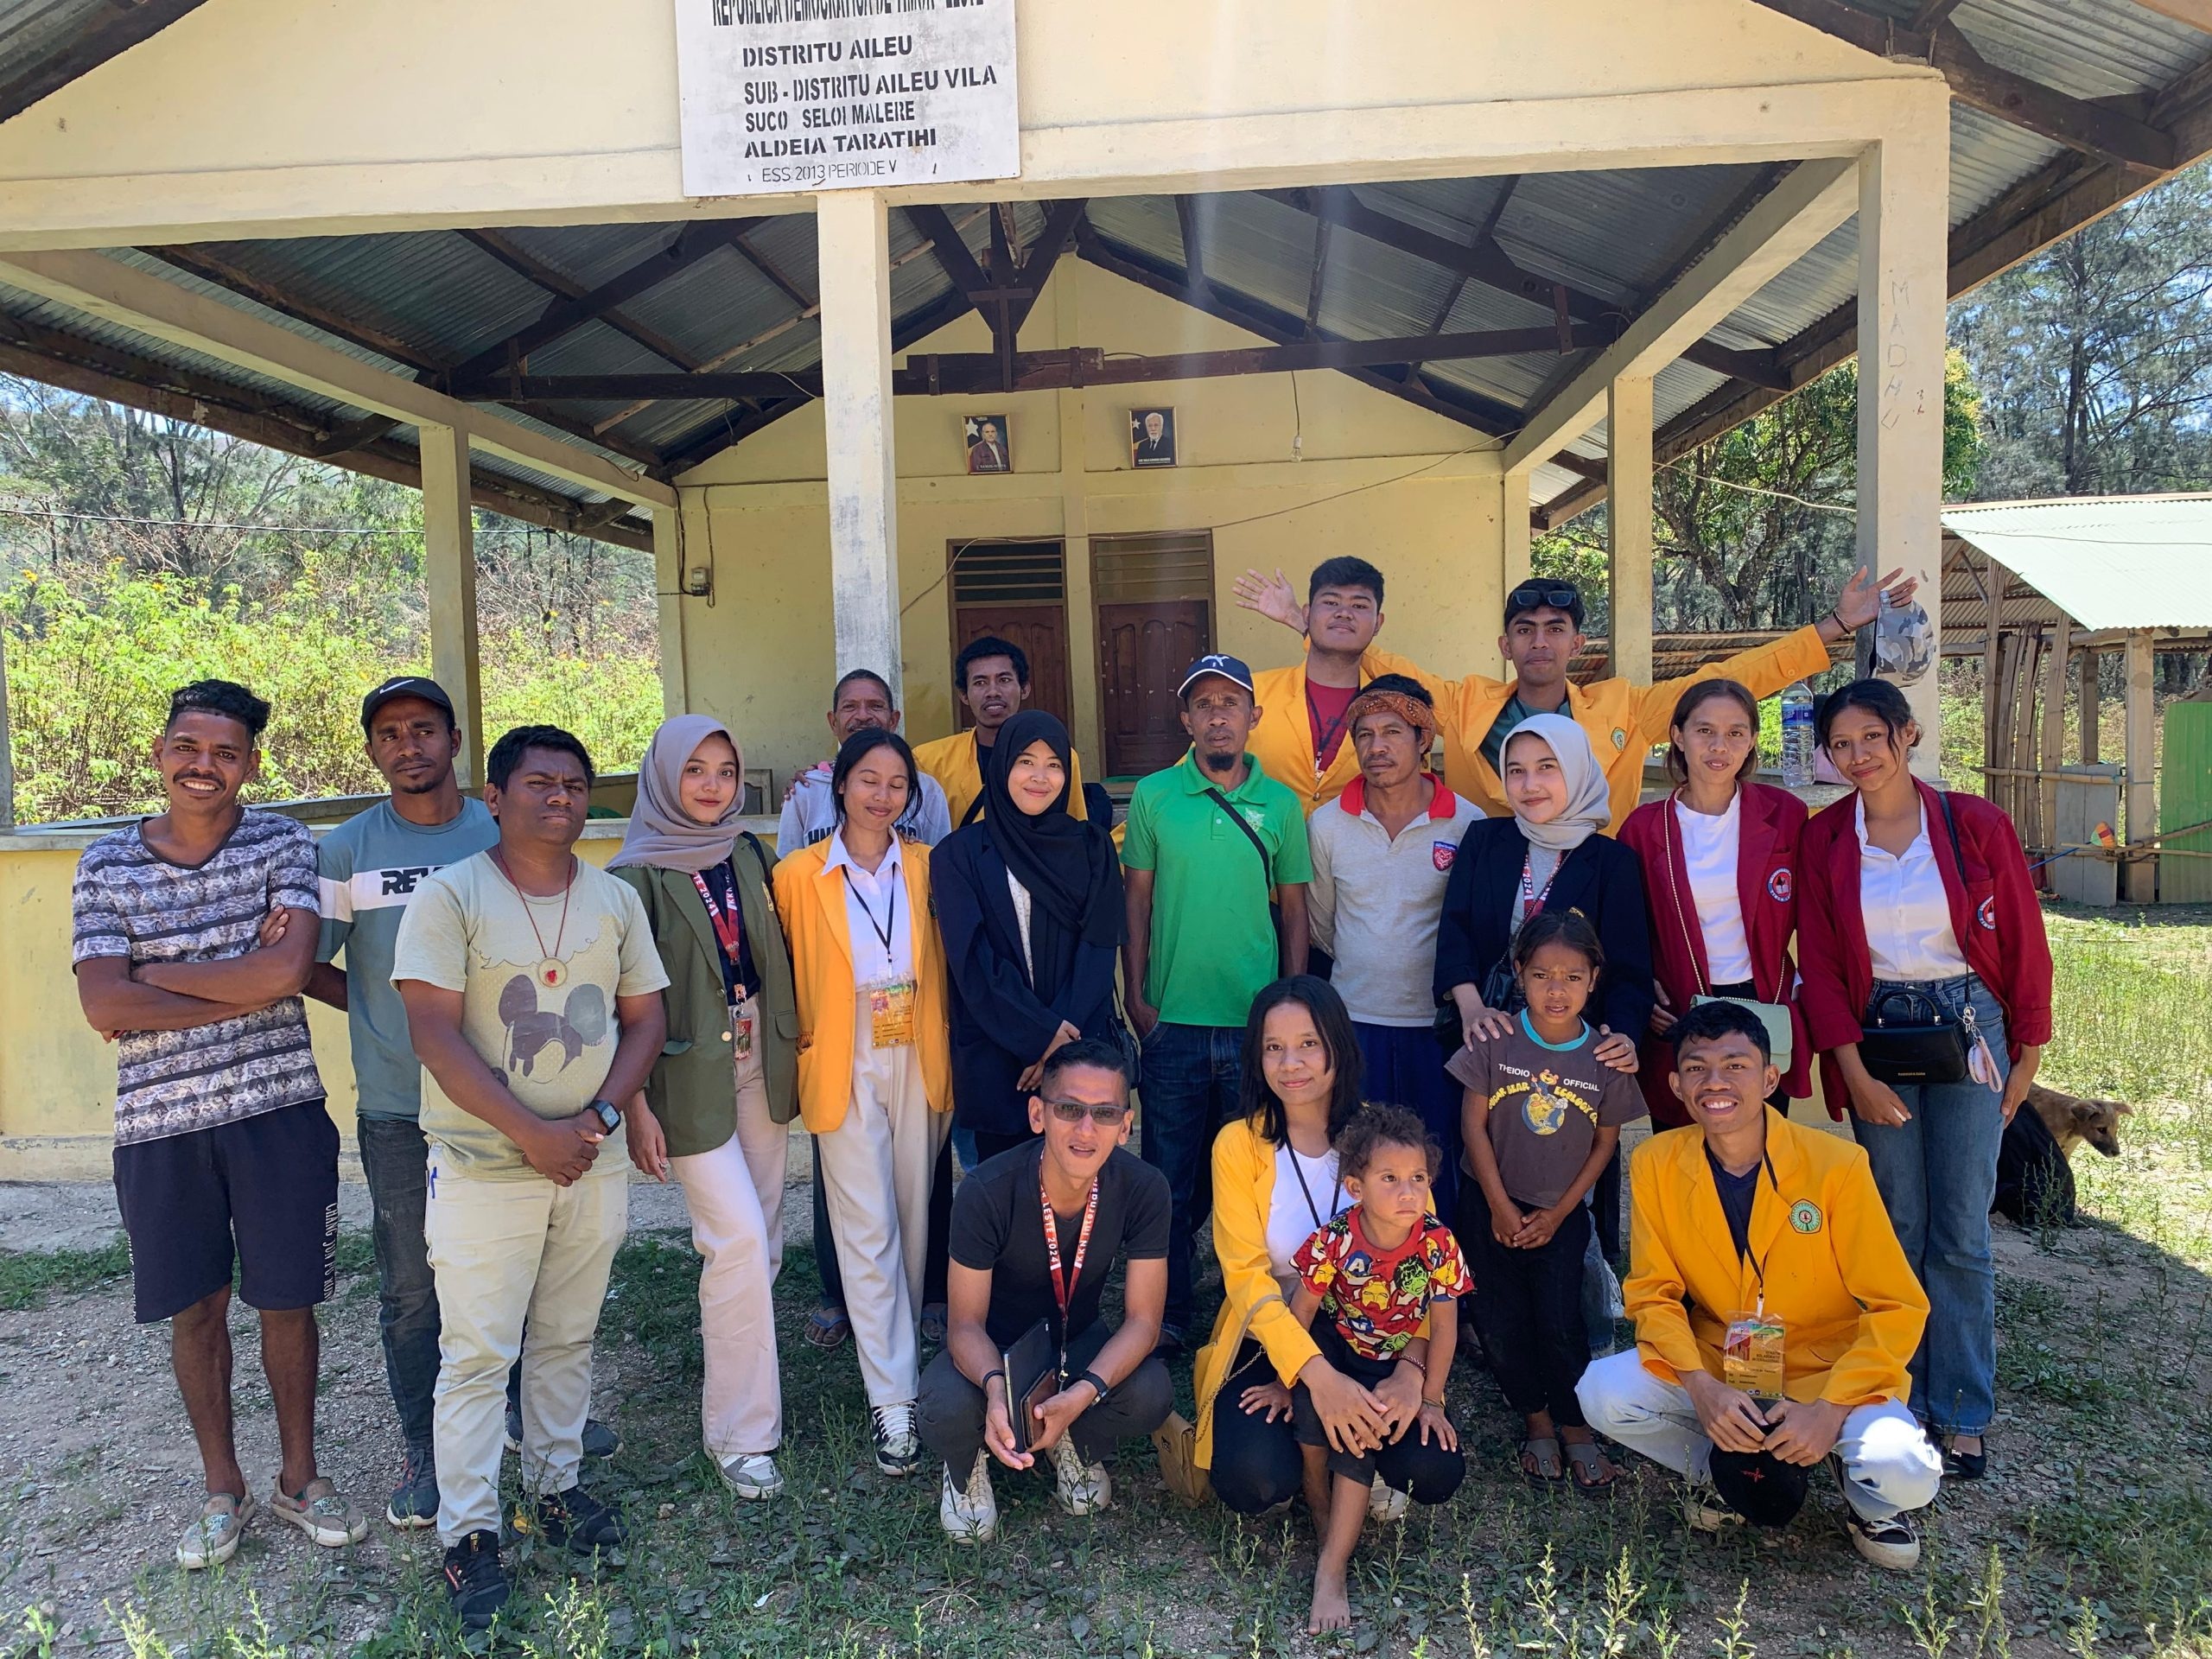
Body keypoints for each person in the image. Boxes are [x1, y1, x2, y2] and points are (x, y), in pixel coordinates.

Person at [71, 679, 365, 1569]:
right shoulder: (104, 862)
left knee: (288, 1301)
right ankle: (221, 1488)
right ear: (160, 754)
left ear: (252, 764)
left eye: (226, 753)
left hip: (278, 1112)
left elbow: (289, 971)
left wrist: (154, 980)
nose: (206, 767)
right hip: (160, 1125)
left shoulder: (282, 838)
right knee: (194, 1310)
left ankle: (300, 1478)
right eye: (189, 749)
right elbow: (99, 1002)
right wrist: (247, 967)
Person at [392, 725, 670, 1630]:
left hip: (590, 1159)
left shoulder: (614, 900)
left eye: (575, 785)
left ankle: (555, 1487)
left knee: (566, 1338)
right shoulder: (451, 897)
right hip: (482, 1165)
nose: (560, 798)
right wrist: (530, 1131)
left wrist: (593, 1122)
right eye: (541, 783)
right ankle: (468, 1535)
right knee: (477, 1355)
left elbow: (645, 1022)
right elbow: (433, 1035)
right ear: (497, 794)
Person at [1577, 1001, 1942, 1567]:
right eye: (1697, 1068)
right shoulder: (1655, 1162)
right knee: (1601, 1394)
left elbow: (1897, 1305)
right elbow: (1653, 1293)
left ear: (1771, 1078)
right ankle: (1721, 1471)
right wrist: (1703, 1388)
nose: (1715, 1082)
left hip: (1827, 1370)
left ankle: (1867, 1498)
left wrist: (1827, 1411)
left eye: (1736, 1066)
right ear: (1674, 1084)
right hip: (1724, 1362)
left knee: (1908, 1471)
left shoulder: (1836, 1165)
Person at [1796, 678, 2051, 1481]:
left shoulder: (1974, 823)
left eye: (1872, 736)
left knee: (1962, 1228)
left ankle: (1964, 1409)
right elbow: (1824, 964)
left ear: (1906, 735)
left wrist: (2029, 1052)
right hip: (1877, 1030)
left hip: (1971, 1024)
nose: (1859, 756)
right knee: (1895, 1224)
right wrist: (1850, 1068)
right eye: (1842, 745)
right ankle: (1892, 1394)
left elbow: (2022, 933)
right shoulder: (1827, 836)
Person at [1238, 564, 1916, 829]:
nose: (1539, 642)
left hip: (1591, 893)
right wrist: (1308, 620)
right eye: (1525, 630)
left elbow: (1727, 681)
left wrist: (1831, 628)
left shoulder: (1621, 710)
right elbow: (1385, 670)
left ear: (1576, 644)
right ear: (1505, 644)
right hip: (1486, 883)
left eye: (1554, 630)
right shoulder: (1466, 703)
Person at [304, 676, 498, 1530]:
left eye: (424, 729)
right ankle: (426, 1454)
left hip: (503, 1091)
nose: (408, 745)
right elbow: (309, 962)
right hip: (395, 1103)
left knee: (505, 1267)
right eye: (389, 733)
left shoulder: (500, 830)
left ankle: (521, 1417)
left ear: (455, 741)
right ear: (374, 751)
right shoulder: (346, 851)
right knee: (412, 1285)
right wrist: (396, 1014)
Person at [608, 715, 800, 1501]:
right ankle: (740, 1437)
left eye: (725, 770)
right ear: (662, 777)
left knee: (765, 1236)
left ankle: (753, 1391)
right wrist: (636, 1109)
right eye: (696, 771)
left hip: (761, 1057)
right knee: (737, 1242)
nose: (713, 785)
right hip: (683, 1078)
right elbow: (627, 1005)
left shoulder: (750, 853)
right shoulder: (634, 877)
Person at [772, 728, 955, 1479]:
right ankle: (893, 1397)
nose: (883, 795)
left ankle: (903, 1351)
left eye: (897, 784)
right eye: (868, 780)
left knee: (913, 1215)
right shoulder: (796, 874)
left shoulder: (928, 868)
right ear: (839, 785)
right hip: (843, 1058)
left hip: (919, 1052)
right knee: (865, 1222)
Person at [1189, 979, 1434, 1524]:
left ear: (1338, 1047)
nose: (1290, 1062)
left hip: (1376, 1340)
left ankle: (1354, 1459)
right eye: (1273, 1047)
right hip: (1272, 1340)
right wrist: (1318, 1376)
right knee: (1253, 1479)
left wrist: (1413, 1371)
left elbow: (1427, 1262)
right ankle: (1318, 1466)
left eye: (1308, 1043)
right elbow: (1246, 1278)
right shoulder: (1237, 1144)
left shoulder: (1384, 1136)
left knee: (1430, 1469)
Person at [1122, 652, 1312, 1349]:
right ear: (1186, 718)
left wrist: (1291, 1008)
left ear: (1253, 716)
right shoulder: (1153, 797)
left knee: (1252, 1177)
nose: (1217, 715)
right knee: (1169, 1177)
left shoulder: (1282, 803)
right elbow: (1135, 901)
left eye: (1231, 703)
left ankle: (1249, 1308)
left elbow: (1295, 912)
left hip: (1256, 1030)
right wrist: (1139, 998)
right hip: (1171, 1023)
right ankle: (1168, 1312)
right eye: (1203, 704)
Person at [923, 1039, 1174, 1541]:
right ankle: (966, 1465)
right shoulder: (987, 1189)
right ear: (1038, 1114)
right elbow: (965, 1324)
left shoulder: (1145, 1188)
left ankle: (1073, 1439)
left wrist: (1084, 1393)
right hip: (994, 1351)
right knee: (943, 1407)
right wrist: (996, 1388)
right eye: (1069, 1110)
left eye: (1104, 1113)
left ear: (1126, 1127)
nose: (1086, 1129)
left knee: (1151, 1391)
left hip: (1076, 1341)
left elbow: (1144, 1321)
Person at [1434, 713, 1649, 1262]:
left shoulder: (1612, 860)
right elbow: (1455, 926)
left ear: (1577, 771)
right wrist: (1470, 1008)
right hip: (1491, 1034)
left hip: (1570, 1042)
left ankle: (1582, 1289)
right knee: (1483, 1153)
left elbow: (1628, 966)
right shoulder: (1486, 839)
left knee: (1572, 1160)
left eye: (1547, 768)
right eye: (1517, 770)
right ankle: (1480, 1292)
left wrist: (1623, 1035)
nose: (1530, 786)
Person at [1450, 911, 1642, 1493]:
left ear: (1594, 979)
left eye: (1573, 978)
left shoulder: (1605, 1058)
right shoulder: (1497, 1039)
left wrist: (1558, 1215)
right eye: (1541, 976)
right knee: (1500, 1321)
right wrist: (1501, 1208)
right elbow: (1473, 1128)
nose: (1556, 991)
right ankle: (1535, 1419)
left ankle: (1576, 1426)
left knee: (1561, 1322)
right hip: (1488, 1208)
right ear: (1518, 973)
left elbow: (1606, 1144)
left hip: (1560, 1215)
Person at [1287, 1104, 1467, 1631]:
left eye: (1417, 1178)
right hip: (1335, 1347)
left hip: (1392, 1358)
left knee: (1359, 1435)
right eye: (1390, 1179)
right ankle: (1322, 1513)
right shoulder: (1336, 1239)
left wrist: (1431, 1398)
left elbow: (1446, 1330)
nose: (1408, 1192)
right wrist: (1286, 1379)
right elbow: (1301, 1312)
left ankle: (1332, 1567)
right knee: (1313, 1424)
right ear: (1356, 1187)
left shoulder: (1438, 1244)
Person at [1306, 674, 1478, 1208]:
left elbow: (1471, 927)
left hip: (1440, 1029)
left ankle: (1442, 1287)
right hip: (1357, 1025)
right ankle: (1363, 1287)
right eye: (1364, 734)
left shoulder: (1467, 822)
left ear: (1424, 739)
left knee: (1437, 1164)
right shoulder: (1327, 824)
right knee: (1362, 1166)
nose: (1376, 747)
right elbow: (1323, 924)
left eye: (1392, 732)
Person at [934, 710, 1125, 1166]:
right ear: (1000, 767)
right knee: (1003, 1196)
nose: (1040, 777)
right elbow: (973, 961)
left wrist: (1061, 1046)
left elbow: (1099, 950)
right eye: (1025, 761)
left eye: (1054, 764)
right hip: (999, 1059)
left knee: (1079, 1192)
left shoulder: (1093, 847)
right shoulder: (958, 854)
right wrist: (1040, 1037)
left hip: (1078, 1058)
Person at [1617, 679, 1811, 1127]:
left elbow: (1818, 917)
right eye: (1705, 731)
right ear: (1678, 736)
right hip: (1681, 1006)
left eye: (1735, 733)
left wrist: (1804, 995)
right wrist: (1642, 987)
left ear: (1752, 742)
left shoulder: (1785, 814)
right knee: (1685, 1146)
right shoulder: (1646, 828)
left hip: (1763, 1001)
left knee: (1761, 1147)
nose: (1719, 746)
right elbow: (1626, 930)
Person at [1233, 557, 1429, 814]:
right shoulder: (1253, 692)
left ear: (1378, 623)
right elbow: (1196, 771)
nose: (1344, 613)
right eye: (1330, 602)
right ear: (1306, 614)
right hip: (1263, 850)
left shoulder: (1396, 705)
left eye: (1359, 605)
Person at [912, 636, 1090, 830]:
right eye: (980, 683)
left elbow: (1074, 827)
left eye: (1004, 680)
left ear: (1024, 689)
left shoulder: (1060, 757)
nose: (993, 692)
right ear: (964, 695)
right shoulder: (928, 759)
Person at [779, 669, 953, 852]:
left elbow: (938, 866)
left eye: (876, 706)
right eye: (850, 707)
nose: (863, 716)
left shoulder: (927, 790)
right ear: (833, 722)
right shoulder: (804, 791)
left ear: (893, 720)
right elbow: (787, 867)